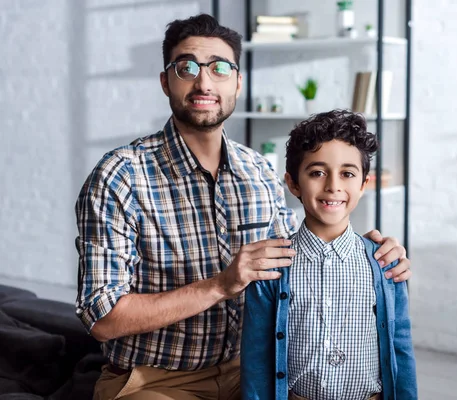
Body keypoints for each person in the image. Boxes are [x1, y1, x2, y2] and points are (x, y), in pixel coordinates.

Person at [75, 14, 412, 400]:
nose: (204, 82)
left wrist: (368, 253)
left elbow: (295, 256)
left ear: (237, 81)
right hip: (157, 380)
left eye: (220, 68)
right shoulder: (119, 175)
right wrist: (221, 284)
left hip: (253, 370)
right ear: (166, 81)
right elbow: (101, 318)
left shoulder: (259, 170)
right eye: (187, 67)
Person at [241, 109, 418, 400]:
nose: (333, 185)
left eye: (347, 173)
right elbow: (257, 358)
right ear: (294, 183)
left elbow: (401, 347)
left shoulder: (385, 263)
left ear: (363, 185)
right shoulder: (270, 268)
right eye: (317, 172)